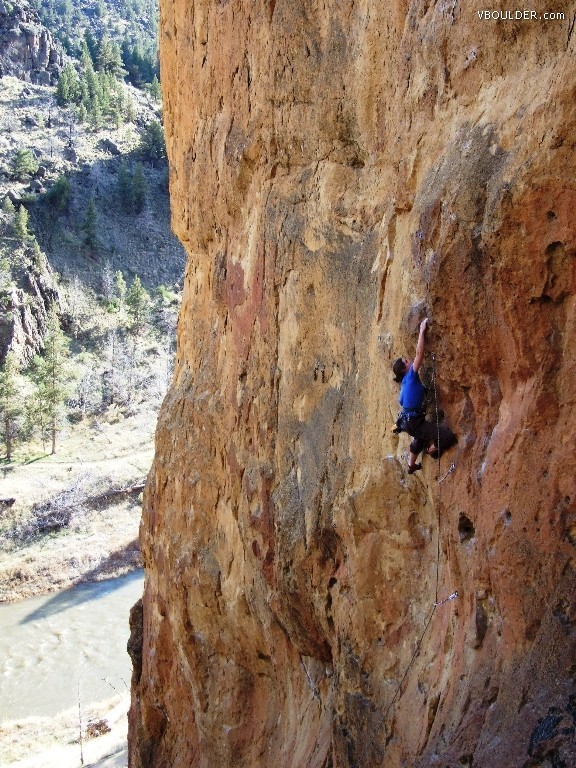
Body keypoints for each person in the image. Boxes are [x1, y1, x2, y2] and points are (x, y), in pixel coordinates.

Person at [392, 318, 456, 474]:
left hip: (407, 422)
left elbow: (402, 401)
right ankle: (432, 449)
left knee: (419, 436)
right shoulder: (411, 376)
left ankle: (411, 465)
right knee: (447, 436)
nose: (410, 361)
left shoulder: (404, 385)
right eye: (407, 362)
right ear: (404, 369)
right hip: (414, 422)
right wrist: (422, 331)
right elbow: (419, 353)